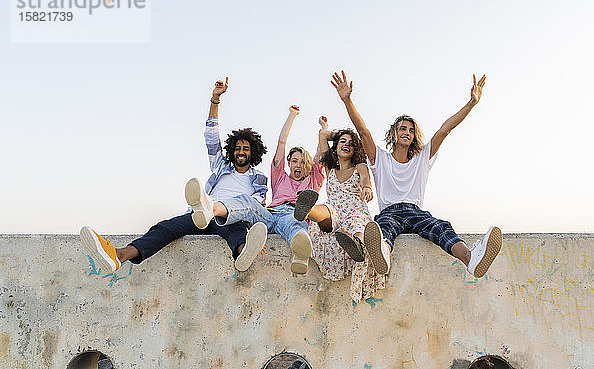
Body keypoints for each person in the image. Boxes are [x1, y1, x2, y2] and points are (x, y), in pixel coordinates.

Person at [80, 77, 269, 274]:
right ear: (232, 151)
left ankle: (244, 252)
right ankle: (118, 256)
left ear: (253, 153)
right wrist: (215, 99)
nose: (240, 152)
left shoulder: (259, 180)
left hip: (228, 219)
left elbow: (253, 207)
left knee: (236, 229)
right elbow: (211, 137)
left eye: (245, 149)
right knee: (166, 228)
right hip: (200, 216)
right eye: (237, 148)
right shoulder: (221, 167)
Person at [330, 70, 502, 278]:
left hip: (415, 212)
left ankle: (470, 259)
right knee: (382, 228)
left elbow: (444, 130)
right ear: (394, 133)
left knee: (441, 228)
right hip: (390, 212)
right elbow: (363, 131)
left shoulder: (422, 158)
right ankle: (383, 253)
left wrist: (471, 103)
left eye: (411, 130)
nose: (407, 132)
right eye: (402, 128)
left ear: (414, 136)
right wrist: (348, 100)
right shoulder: (379, 159)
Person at [185, 105, 327, 274]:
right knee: (248, 202)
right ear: (288, 163)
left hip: (293, 213)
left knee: (294, 223)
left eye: (303, 162)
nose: (298, 165)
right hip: (270, 213)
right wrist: (292, 116)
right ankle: (211, 209)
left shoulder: (313, 180)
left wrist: (324, 130)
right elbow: (282, 142)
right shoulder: (280, 176)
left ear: (309, 166)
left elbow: (322, 154)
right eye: (294, 161)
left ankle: (301, 253)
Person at [294, 126, 386, 304]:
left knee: (358, 225)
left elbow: (366, 178)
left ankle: (357, 244)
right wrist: (331, 133)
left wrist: (367, 187)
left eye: (351, 144)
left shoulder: (360, 166)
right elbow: (322, 137)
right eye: (342, 142)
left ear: (355, 150)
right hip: (335, 210)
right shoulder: (330, 168)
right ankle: (307, 209)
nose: (347, 145)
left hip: (354, 210)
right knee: (326, 211)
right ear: (335, 146)